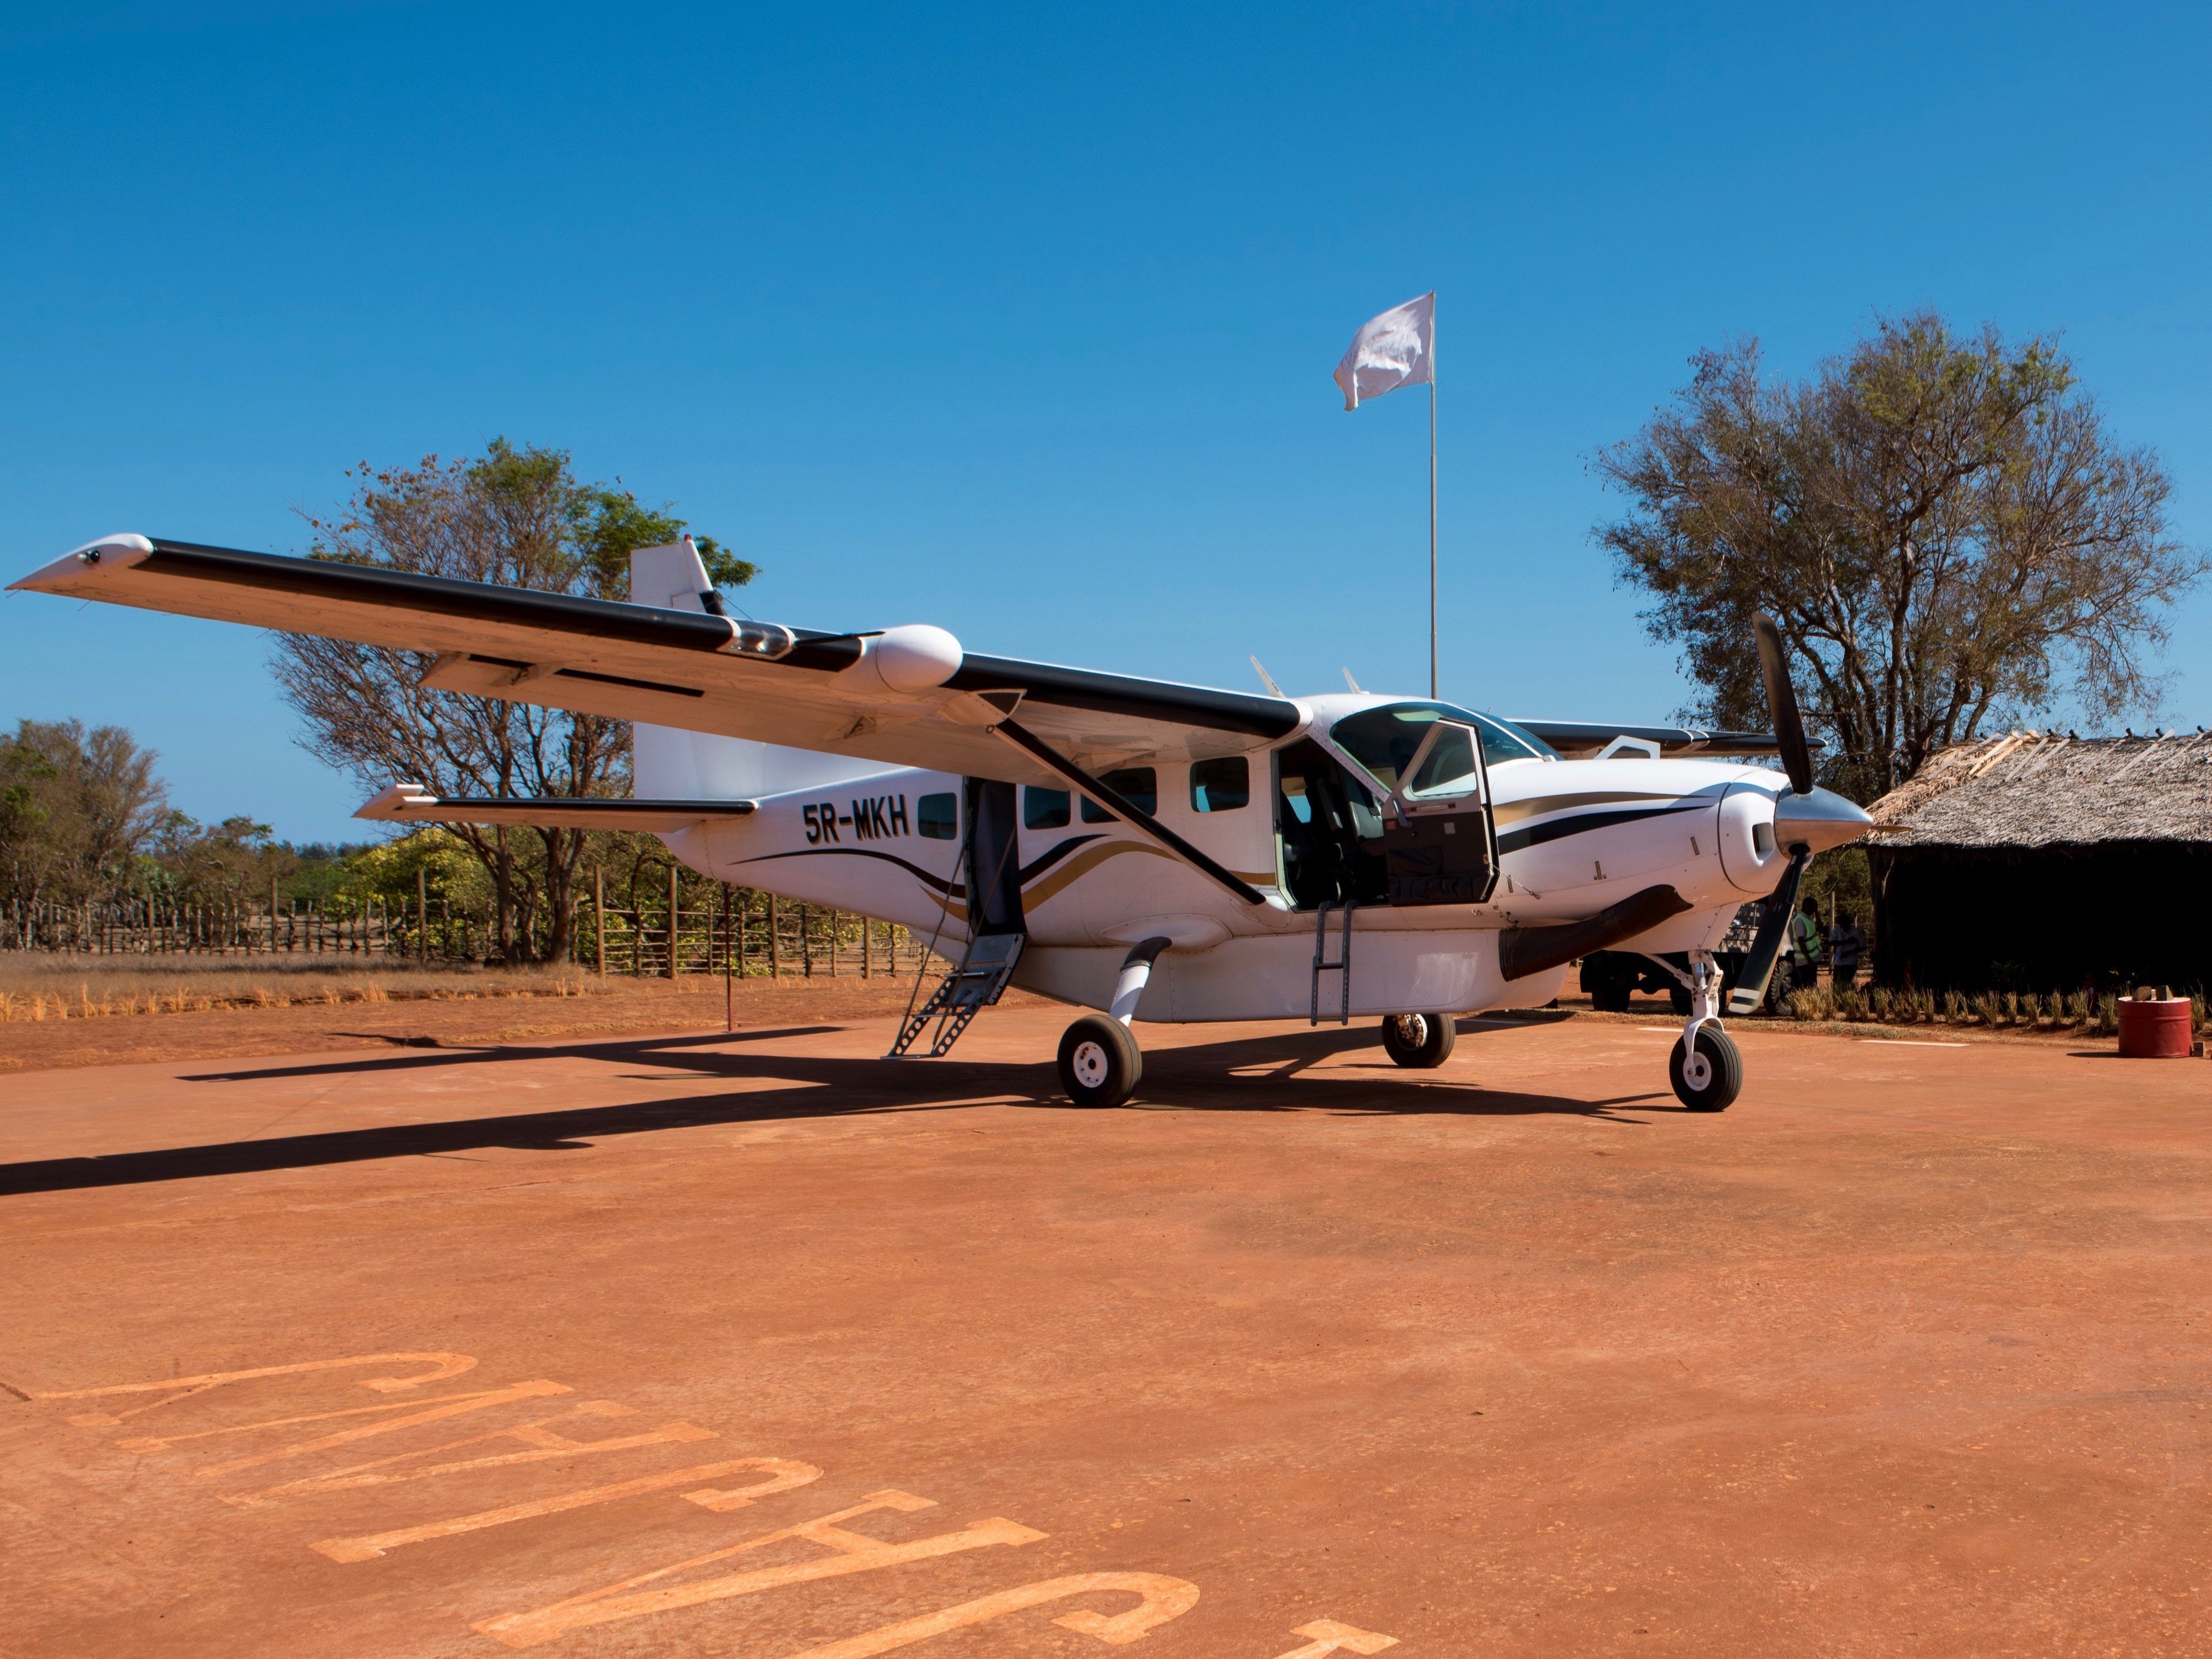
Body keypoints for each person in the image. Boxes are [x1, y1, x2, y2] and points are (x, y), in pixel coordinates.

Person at [1786, 897, 1824, 994]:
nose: (1813, 910)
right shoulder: (1800, 921)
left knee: (1812, 986)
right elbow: (1801, 942)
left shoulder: (1809, 919)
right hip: (1805, 961)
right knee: (1808, 987)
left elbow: (1821, 928)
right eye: (1813, 908)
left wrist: (1816, 912)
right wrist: (1809, 960)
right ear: (1807, 906)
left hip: (1811, 959)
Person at [1827, 908, 1867, 991]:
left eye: (1846, 925)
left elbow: (1863, 946)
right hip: (1839, 962)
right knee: (1837, 984)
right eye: (1842, 925)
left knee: (1847, 984)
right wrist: (1846, 942)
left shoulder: (1855, 932)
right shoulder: (1836, 931)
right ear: (1840, 925)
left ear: (1849, 923)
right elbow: (1831, 943)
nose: (1844, 927)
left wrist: (1849, 953)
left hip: (1850, 962)